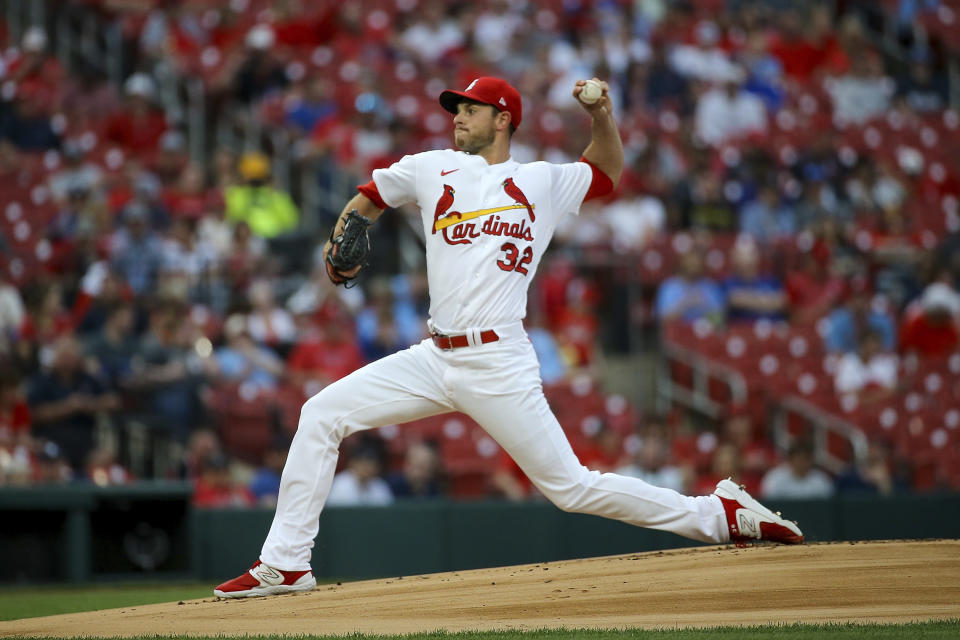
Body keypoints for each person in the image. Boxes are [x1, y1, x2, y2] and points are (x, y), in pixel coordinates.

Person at [214, 76, 803, 599]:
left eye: (470, 108)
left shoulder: (539, 181)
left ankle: (719, 515)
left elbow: (606, 173)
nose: (458, 116)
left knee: (572, 489)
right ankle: (285, 564)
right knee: (321, 413)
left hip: (498, 360)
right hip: (434, 355)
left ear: (503, 119)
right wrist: (347, 231)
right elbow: (372, 194)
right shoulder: (430, 166)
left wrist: (601, 116)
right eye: (456, 108)